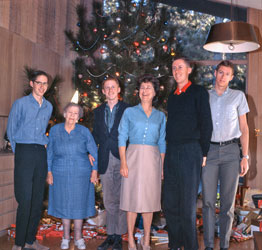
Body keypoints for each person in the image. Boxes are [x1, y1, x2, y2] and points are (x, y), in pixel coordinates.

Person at [163, 57, 213, 250]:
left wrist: (204, 151)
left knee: (187, 205)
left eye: (180, 67)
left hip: (191, 150)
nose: (177, 71)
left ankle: (191, 246)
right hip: (172, 150)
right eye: (174, 67)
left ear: (189, 70)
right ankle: (175, 244)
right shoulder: (172, 96)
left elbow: (206, 122)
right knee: (170, 202)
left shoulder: (198, 92)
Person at [202, 60, 250, 250]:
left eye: (227, 74)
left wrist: (245, 156)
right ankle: (207, 246)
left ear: (232, 77)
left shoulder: (238, 96)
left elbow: (245, 128)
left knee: (228, 204)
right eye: (220, 72)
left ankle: (224, 245)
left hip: (231, 152)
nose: (223, 77)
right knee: (207, 201)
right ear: (215, 73)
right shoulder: (204, 97)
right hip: (210, 152)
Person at [118, 74, 166, 250]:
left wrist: (161, 166)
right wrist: (123, 162)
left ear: (154, 93)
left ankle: (146, 240)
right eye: (143, 88)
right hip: (132, 157)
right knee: (131, 200)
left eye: (149, 88)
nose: (145, 91)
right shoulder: (129, 112)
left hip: (153, 159)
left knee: (149, 200)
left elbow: (162, 141)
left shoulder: (160, 116)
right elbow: (122, 137)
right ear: (138, 92)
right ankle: (130, 240)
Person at [7, 70, 53, 250]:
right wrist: (21, 153)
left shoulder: (48, 106)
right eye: (39, 83)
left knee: (37, 200)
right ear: (31, 84)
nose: (42, 86)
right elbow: (11, 131)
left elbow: (43, 131)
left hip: (40, 153)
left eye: (45, 83)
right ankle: (18, 244)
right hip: (24, 151)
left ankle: (30, 240)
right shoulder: (20, 104)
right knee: (25, 199)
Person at [46, 103, 98, 250]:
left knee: (79, 204)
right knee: (64, 203)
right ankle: (65, 237)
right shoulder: (55, 130)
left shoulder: (84, 131)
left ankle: (78, 237)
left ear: (79, 116)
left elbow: (93, 152)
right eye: (70, 112)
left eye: (76, 113)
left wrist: (94, 171)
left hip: (81, 172)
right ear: (64, 113)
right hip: (59, 171)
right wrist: (49, 172)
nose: (72, 115)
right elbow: (49, 152)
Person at [92, 77, 129, 250]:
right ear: (103, 92)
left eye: (113, 87)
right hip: (105, 158)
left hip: (123, 158)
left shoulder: (128, 110)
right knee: (108, 199)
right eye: (107, 88)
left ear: (119, 89)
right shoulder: (98, 111)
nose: (110, 90)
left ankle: (119, 236)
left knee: (122, 198)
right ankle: (110, 235)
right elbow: (96, 136)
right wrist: (91, 154)